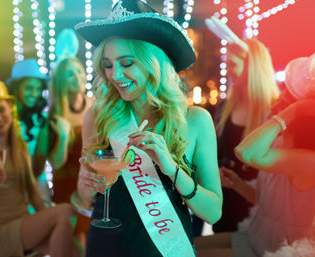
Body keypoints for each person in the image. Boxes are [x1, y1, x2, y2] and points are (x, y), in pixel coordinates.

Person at [74, 1, 223, 256]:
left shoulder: (196, 120)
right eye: (108, 65)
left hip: (165, 248)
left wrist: (170, 168)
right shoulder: (98, 116)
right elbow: (84, 194)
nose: (115, 75)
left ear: (153, 60)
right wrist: (87, 183)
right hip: (106, 245)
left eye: (127, 63)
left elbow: (213, 212)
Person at [195, 53, 315, 257]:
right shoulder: (283, 143)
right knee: (184, 246)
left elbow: (245, 152)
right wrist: (237, 185)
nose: (282, 94)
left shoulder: (308, 160)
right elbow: (269, 204)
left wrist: (294, 111)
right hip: (254, 239)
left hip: (275, 251)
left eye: (291, 95)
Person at [0, 81, 78, 257]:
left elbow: (33, 194)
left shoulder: (20, 146)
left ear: (11, 109)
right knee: (66, 211)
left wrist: (50, 221)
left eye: (1, 110)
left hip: (24, 223)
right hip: (0, 233)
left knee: (76, 250)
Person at [205, 16, 280, 233]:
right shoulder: (224, 107)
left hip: (259, 210)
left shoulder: (276, 113)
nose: (227, 70)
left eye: (231, 64)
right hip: (225, 203)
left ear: (251, 67)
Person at [34, 56, 93, 249]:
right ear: (61, 83)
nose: (77, 76)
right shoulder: (52, 118)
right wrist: (63, 134)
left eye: (79, 70)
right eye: (70, 74)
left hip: (95, 185)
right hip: (68, 190)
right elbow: (57, 164)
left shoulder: (96, 106)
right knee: (79, 244)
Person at [7, 59, 51, 204]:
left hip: (35, 183)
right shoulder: (1, 119)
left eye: (38, 89)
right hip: (6, 184)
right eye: (29, 88)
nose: (35, 93)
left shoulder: (41, 120)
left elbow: (39, 162)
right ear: (16, 87)